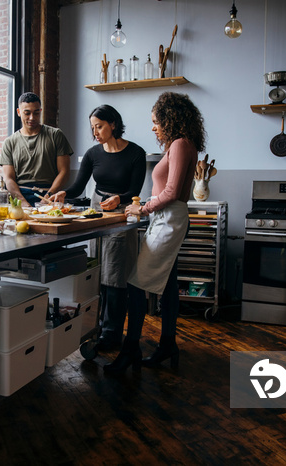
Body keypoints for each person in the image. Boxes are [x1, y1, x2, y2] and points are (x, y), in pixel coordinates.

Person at [104, 92, 204, 374]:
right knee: (169, 284)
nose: (153, 126)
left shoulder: (181, 144)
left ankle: (130, 349)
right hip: (166, 218)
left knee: (136, 285)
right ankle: (168, 344)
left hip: (169, 220)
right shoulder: (179, 144)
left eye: (155, 120)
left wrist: (143, 209)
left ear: (170, 118)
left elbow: (171, 192)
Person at [51, 105, 146, 351]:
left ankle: (112, 333)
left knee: (115, 274)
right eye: (92, 127)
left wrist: (120, 199)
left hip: (122, 214)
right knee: (97, 271)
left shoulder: (136, 153)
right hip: (96, 213)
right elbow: (77, 187)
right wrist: (63, 193)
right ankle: (95, 326)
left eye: (99, 126)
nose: (95, 132)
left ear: (113, 124)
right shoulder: (93, 154)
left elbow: (135, 191)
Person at [0, 92, 73, 206]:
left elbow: (64, 172)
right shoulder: (9, 142)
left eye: (36, 113)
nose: (32, 118)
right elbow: (8, 178)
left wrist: (48, 197)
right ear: (19, 112)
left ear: (41, 111)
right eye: (27, 113)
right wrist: (23, 203)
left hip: (50, 195)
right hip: (20, 196)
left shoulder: (56, 135)